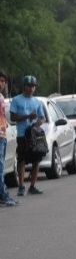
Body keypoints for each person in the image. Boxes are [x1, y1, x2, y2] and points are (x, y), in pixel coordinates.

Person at [10, 75, 45, 196]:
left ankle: (33, 186)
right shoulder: (16, 100)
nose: (31, 88)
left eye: (33, 86)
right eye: (28, 86)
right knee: (22, 160)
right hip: (22, 135)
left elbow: (42, 117)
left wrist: (38, 122)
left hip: (34, 135)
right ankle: (21, 186)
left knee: (36, 160)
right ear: (24, 86)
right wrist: (27, 116)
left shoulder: (37, 102)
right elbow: (13, 117)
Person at [0, 72, 17, 206]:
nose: (1, 84)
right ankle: (3, 196)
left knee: (2, 167)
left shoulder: (1, 97)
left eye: (3, 81)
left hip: (3, 135)